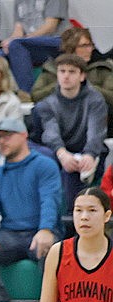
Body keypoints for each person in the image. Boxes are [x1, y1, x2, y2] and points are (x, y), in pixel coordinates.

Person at [0, 117, 62, 302]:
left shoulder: (45, 165)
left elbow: (50, 200)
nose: (1, 141)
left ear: (23, 135)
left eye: (7, 136)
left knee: (52, 249)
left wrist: (45, 229)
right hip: (10, 234)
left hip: (40, 231)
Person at [33, 54, 109, 210]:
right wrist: (62, 154)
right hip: (60, 152)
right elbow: (50, 133)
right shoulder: (46, 104)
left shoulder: (96, 100)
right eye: (62, 71)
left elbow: (96, 131)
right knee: (60, 166)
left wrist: (89, 154)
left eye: (72, 72)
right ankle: (67, 221)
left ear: (82, 76)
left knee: (79, 169)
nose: (66, 76)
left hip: (90, 152)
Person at [0, 0, 67, 95]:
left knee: (16, 45)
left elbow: (50, 26)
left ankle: (26, 95)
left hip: (55, 42)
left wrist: (23, 40)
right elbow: (18, 29)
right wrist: (9, 41)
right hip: (26, 44)